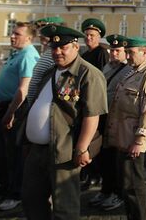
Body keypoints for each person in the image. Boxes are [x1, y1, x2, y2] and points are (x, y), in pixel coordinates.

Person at [21, 25, 107, 219]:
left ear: (76, 47)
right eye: (54, 48)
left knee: (64, 206)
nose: (57, 52)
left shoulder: (88, 74)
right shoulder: (50, 72)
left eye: (63, 47)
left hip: (63, 151)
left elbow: (92, 115)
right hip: (37, 149)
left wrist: (82, 148)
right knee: (31, 198)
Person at [0, 22, 40, 211]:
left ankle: (15, 193)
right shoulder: (17, 53)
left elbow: (23, 89)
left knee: (14, 154)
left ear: (29, 38)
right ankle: (3, 189)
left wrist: (10, 113)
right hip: (4, 108)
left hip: (15, 110)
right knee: (1, 153)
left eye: (17, 34)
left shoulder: (29, 56)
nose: (12, 36)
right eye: (12, 32)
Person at [106, 36, 146, 220]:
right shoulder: (132, 71)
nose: (128, 56)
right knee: (126, 185)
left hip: (133, 140)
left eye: (131, 52)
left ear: (144, 52)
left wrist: (140, 140)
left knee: (135, 187)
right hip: (123, 137)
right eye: (127, 52)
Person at [88, 34, 132, 211]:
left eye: (118, 51)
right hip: (103, 118)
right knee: (103, 158)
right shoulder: (107, 67)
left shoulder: (127, 70)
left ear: (124, 52)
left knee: (115, 160)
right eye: (112, 50)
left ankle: (117, 193)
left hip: (117, 120)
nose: (114, 54)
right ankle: (106, 190)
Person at [80, 17, 109, 189]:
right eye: (87, 35)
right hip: (84, 102)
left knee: (94, 141)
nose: (89, 38)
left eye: (92, 35)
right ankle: (87, 172)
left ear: (98, 37)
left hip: (96, 104)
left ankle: (95, 174)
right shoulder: (84, 55)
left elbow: (103, 79)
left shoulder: (101, 54)